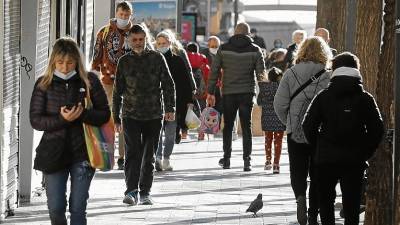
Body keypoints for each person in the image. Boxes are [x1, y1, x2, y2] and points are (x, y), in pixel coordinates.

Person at [30, 37, 110, 225]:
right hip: (53, 153)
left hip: (83, 152)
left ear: (77, 61)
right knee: (56, 208)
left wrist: (82, 114)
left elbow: (105, 114)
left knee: (78, 208)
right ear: (53, 62)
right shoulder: (43, 84)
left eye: (70, 62)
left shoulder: (89, 80)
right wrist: (62, 119)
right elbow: (35, 120)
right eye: (60, 62)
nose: (65, 67)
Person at [302, 52, 384, 225]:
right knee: (352, 204)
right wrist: (365, 151)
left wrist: (319, 146)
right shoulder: (365, 99)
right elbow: (377, 129)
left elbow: (307, 125)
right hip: (354, 159)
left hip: (325, 159)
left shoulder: (323, 97)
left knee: (325, 202)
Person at [113, 24, 176, 205]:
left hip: (154, 114)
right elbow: (117, 92)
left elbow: (168, 84)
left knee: (149, 155)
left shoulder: (157, 58)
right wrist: (115, 117)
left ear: (146, 39)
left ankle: (145, 192)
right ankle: (131, 191)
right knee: (132, 154)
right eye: (134, 40)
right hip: (130, 114)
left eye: (141, 39)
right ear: (129, 41)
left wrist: (170, 109)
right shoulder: (124, 61)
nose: (138, 43)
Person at [274, 36, 332, 225]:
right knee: (317, 172)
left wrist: (289, 122)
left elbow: (279, 104)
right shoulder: (328, 75)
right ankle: (313, 213)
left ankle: (300, 196)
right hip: (320, 132)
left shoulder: (291, 73)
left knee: (297, 169)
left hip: (295, 130)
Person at [207, 22, 266, 172]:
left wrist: (210, 92)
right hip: (247, 93)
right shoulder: (255, 49)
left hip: (228, 93)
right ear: (248, 34)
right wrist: (264, 94)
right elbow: (261, 75)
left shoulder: (223, 48)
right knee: (246, 127)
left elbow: (214, 72)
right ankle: (247, 161)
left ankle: (226, 159)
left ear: (234, 33)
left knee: (228, 127)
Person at [91, 1, 133, 170]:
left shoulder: (135, 32)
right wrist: (94, 75)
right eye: (121, 14)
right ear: (116, 13)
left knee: (124, 118)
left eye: (126, 15)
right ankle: (107, 155)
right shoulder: (104, 31)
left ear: (131, 15)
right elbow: (96, 55)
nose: (123, 18)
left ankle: (123, 156)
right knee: (108, 117)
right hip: (107, 81)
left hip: (131, 83)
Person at [154, 31, 194, 171]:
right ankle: (157, 158)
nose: (161, 46)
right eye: (159, 44)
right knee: (157, 133)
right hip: (156, 103)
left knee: (170, 134)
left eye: (164, 43)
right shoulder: (152, 60)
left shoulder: (177, 61)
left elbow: (185, 82)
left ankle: (166, 158)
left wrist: (189, 100)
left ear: (169, 43)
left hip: (173, 104)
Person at [257, 67, 286, 174]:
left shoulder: (263, 88)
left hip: (267, 118)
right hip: (279, 118)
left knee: (268, 139)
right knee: (278, 141)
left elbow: (259, 102)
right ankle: (276, 165)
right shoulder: (282, 88)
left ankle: (268, 161)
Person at [186, 42, 210, 140]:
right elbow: (208, 76)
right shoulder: (203, 59)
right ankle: (201, 133)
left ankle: (184, 132)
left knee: (187, 110)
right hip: (201, 92)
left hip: (188, 91)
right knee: (203, 111)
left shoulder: (185, 58)